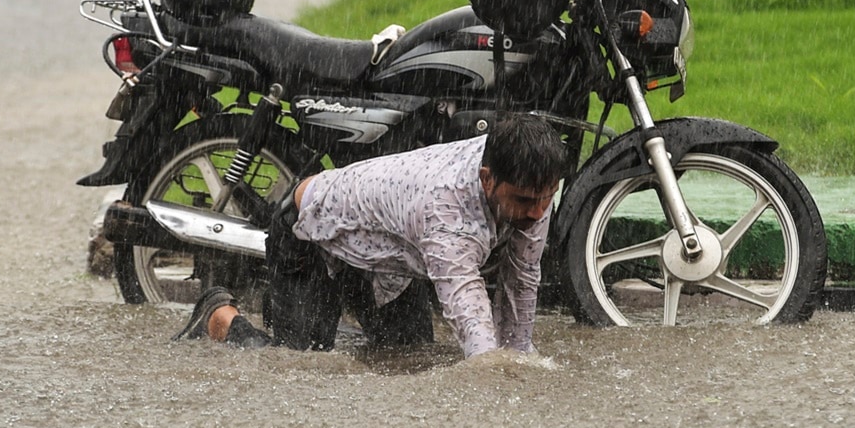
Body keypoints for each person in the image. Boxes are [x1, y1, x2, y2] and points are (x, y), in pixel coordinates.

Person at [173, 113, 568, 358]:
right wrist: (491, 370)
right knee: (298, 364)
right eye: (525, 201)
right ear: (487, 179)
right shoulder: (444, 206)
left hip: (389, 259)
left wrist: (521, 358)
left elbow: (522, 279)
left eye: (546, 199)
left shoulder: (528, 174)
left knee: (409, 357)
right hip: (311, 237)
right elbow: (467, 303)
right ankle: (219, 316)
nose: (537, 213)